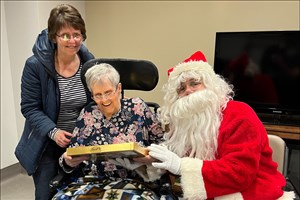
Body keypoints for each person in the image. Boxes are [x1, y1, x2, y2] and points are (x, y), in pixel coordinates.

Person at [144, 51, 296, 199]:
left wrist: (180, 166)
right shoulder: (184, 123)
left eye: (194, 83)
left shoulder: (239, 113)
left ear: (211, 85)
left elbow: (240, 173)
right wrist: (153, 164)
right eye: (181, 89)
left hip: (252, 193)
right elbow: (179, 170)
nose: (188, 91)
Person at [14, 4, 95, 200]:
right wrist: (54, 131)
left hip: (79, 142)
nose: (72, 40)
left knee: (83, 194)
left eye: (77, 34)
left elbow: (94, 102)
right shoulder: (35, 66)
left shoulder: (89, 62)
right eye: (65, 35)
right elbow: (30, 108)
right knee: (46, 195)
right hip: (47, 144)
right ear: (54, 36)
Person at [52, 63, 164, 200]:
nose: (104, 100)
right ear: (92, 96)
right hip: (91, 183)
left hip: (135, 184)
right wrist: (68, 161)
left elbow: (162, 144)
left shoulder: (137, 107)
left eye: (108, 92)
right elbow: (70, 155)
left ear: (119, 88)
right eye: (98, 95)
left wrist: (151, 158)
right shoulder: (87, 113)